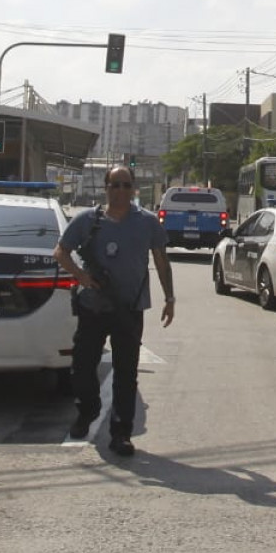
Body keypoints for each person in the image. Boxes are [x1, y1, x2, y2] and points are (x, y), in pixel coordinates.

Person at [55, 165, 175, 458]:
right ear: (105, 188)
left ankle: (121, 433)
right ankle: (88, 411)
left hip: (129, 309)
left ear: (133, 188)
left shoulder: (147, 222)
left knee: (126, 373)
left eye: (125, 185)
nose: (120, 190)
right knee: (82, 367)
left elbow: (161, 260)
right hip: (92, 307)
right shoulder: (87, 220)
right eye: (115, 185)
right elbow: (61, 251)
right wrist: (81, 277)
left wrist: (169, 297)